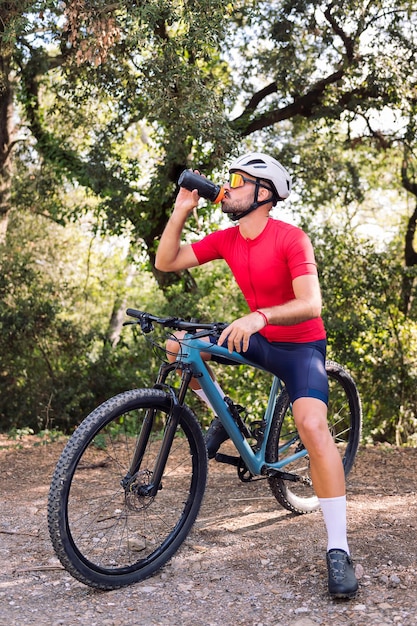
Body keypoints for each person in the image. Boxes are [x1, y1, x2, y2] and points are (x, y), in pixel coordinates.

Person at [155, 152, 358, 599]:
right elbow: (167, 261)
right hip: (257, 336)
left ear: (264, 194)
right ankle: (225, 414)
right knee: (179, 346)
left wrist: (260, 317)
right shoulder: (228, 239)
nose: (226, 187)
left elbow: (311, 304)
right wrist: (181, 209)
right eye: (228, 179)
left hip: (299, 347)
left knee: (311, 425)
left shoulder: (292, 238)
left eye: (237, 180)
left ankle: (339, 549)